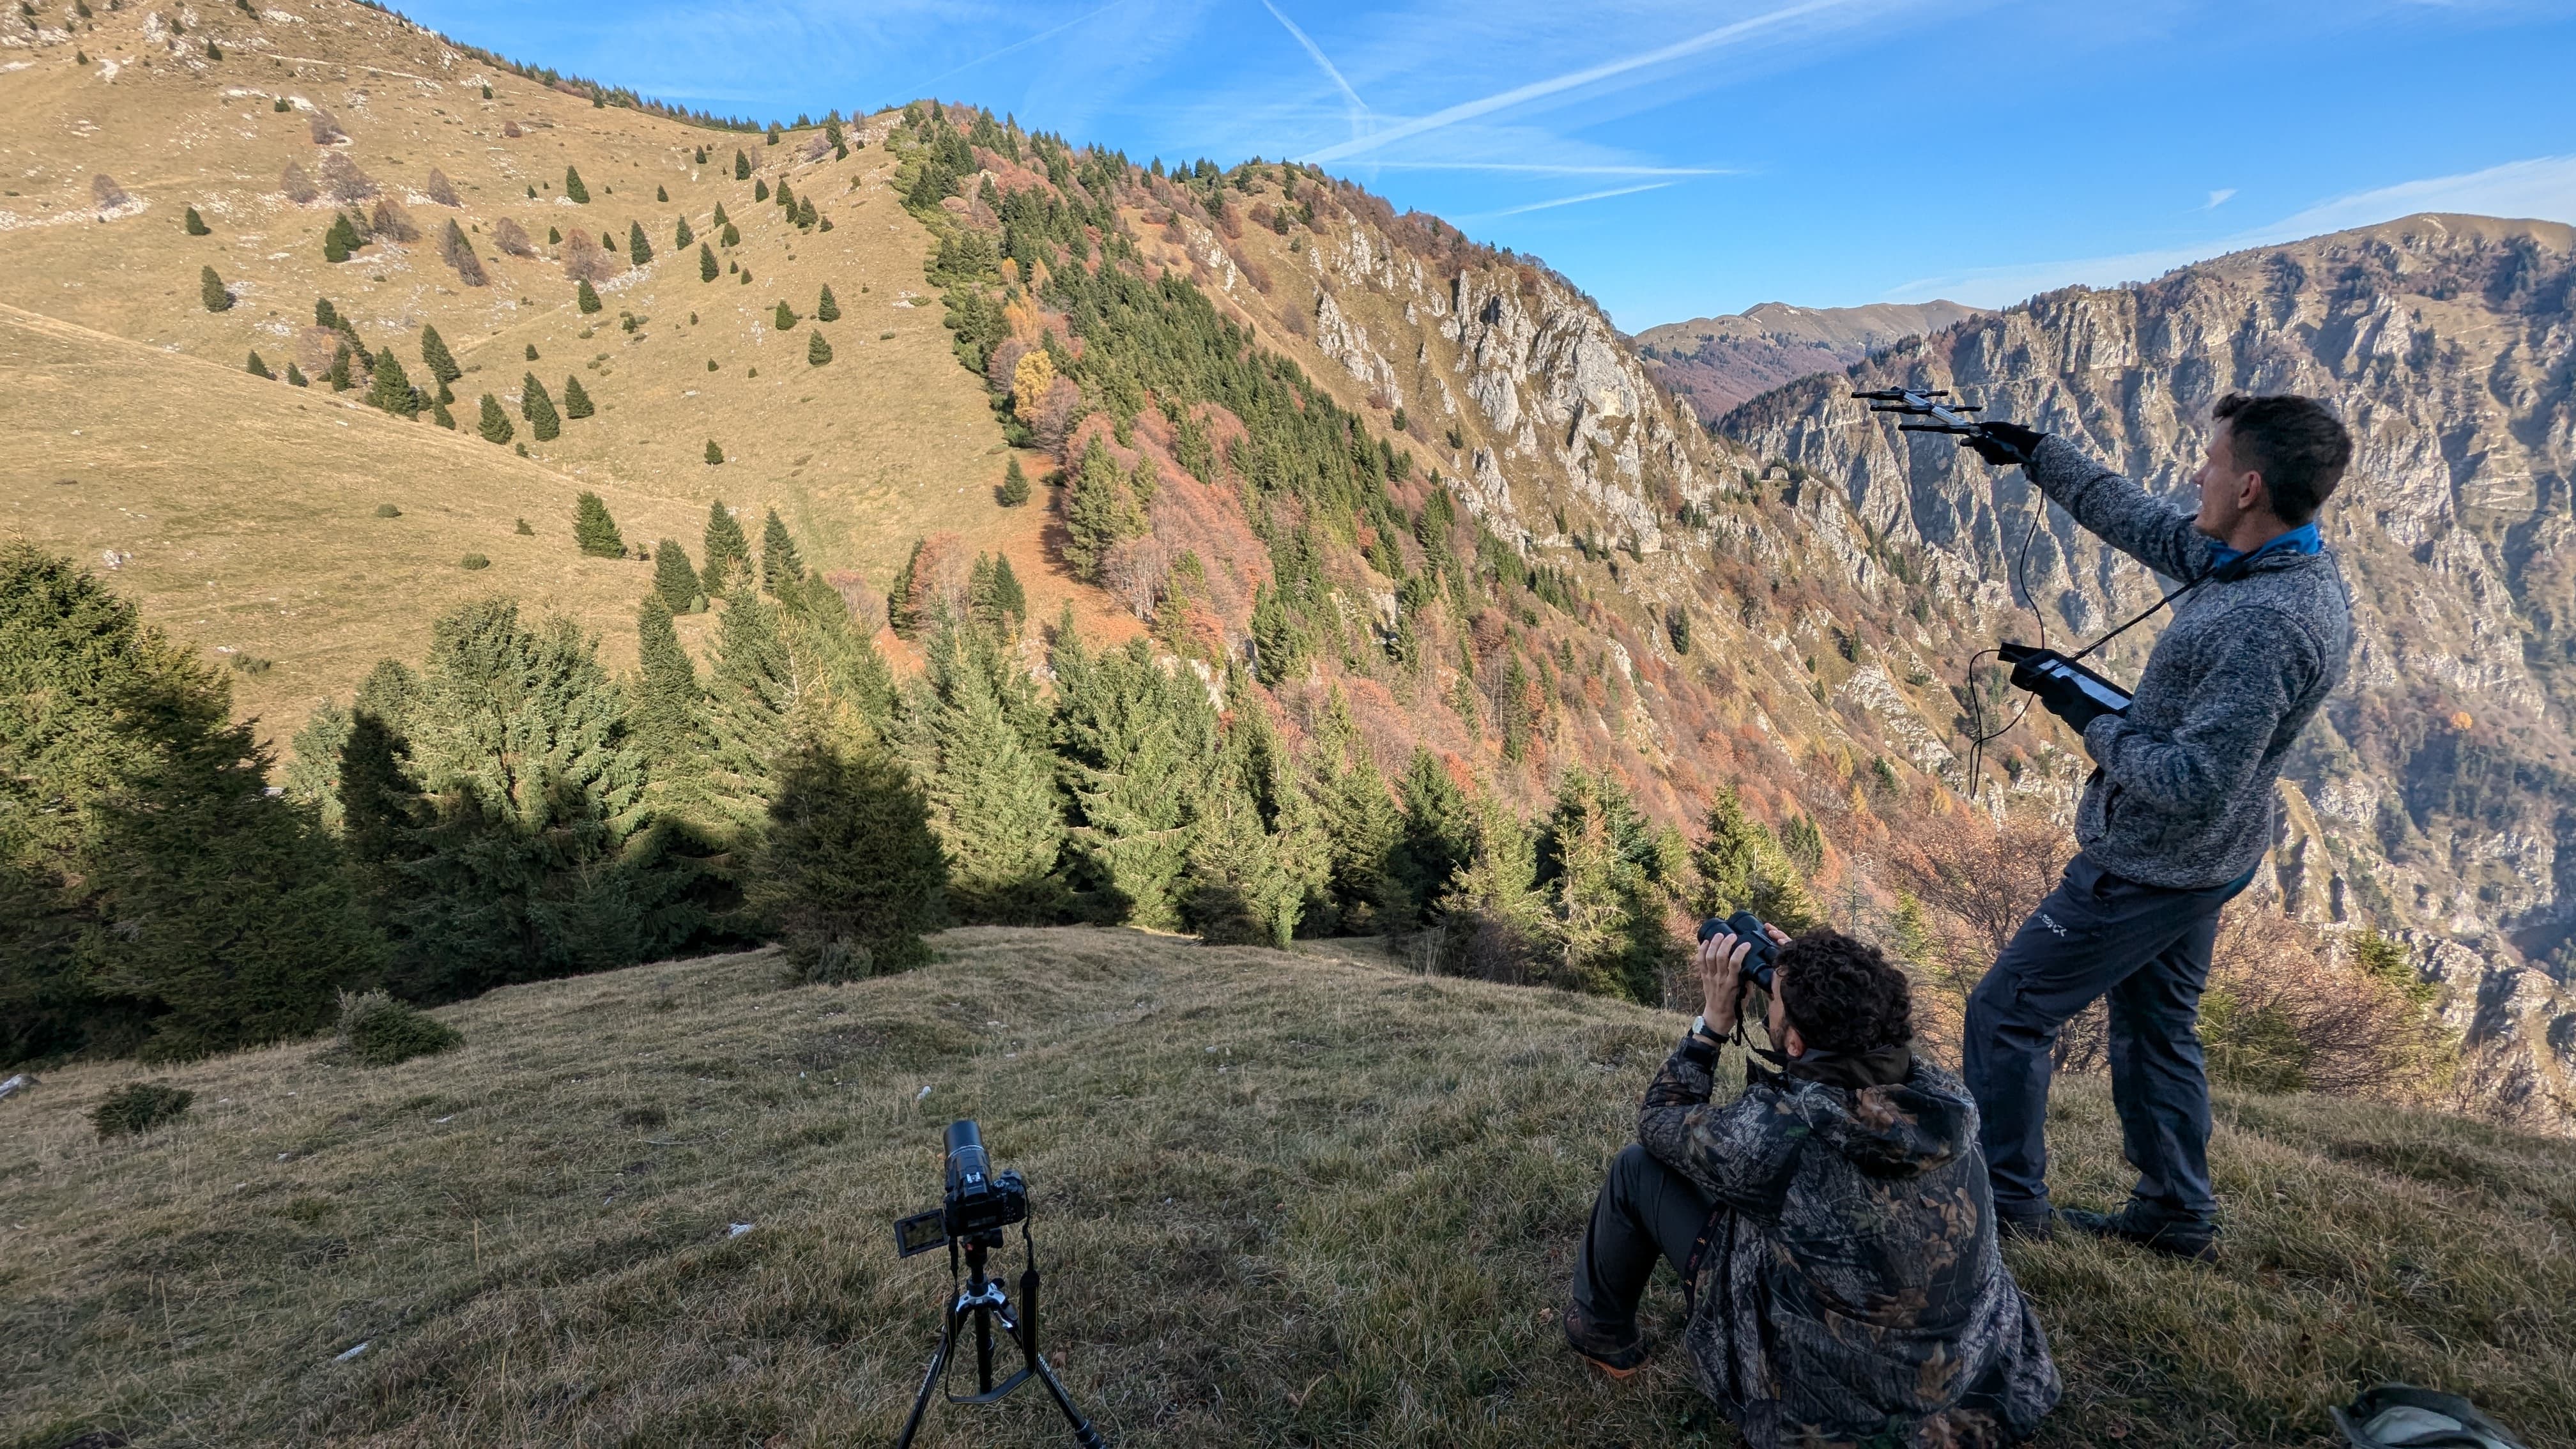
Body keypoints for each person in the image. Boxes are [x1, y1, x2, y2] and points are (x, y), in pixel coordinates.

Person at [1955, 395, 2356, 1259]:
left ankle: (2006, 1211)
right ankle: (2176, 1215)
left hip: (2152, 862)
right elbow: (2143, 523)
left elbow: (2192, 781)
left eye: (2210, 462)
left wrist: (2079, 709)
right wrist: (2037, 454)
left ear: (2249, 487)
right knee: (2156, 1027)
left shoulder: (2269, 622)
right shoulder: (2256, 565)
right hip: (2208, 860)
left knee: (2006, 1013)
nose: (2195, 475)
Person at [1565, 924, 2060, 1447]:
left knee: (1637, 1168)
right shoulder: (1946, 1099)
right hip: (1977, 1392)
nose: (1771, 1010)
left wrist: (1713, 1023)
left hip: (1838, 1420)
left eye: (1776, 1006)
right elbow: (1854, 1024)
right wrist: (1805, 970)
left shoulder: (1780, 1135)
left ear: (1795, 1043)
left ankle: (1603, 1332)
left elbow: (1661, 1119)